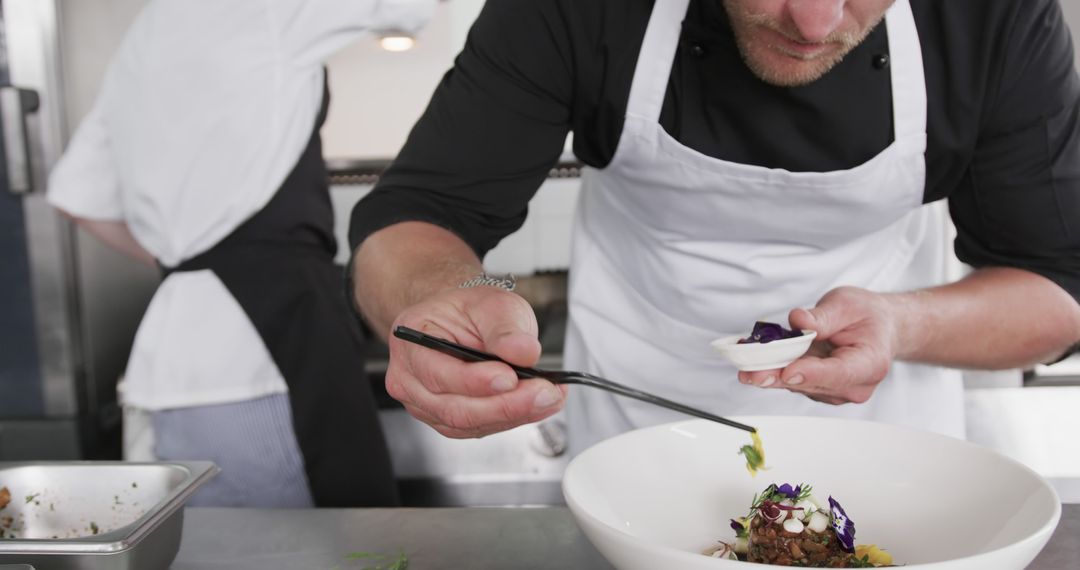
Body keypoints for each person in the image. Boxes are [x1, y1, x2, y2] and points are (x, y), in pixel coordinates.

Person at [347, 0, 1080, 454]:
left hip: (887, 453)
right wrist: (437, 302)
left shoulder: (997, 15)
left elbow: (1058, 288)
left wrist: (900, 324)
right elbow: (416, 218)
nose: (816, 22)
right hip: (637, 446)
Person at [47, 0, 435, 507]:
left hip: (168, 364)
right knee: (326, 551)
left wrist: (189, 260)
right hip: (264, 358)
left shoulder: (142, 36)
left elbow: (74, 196)